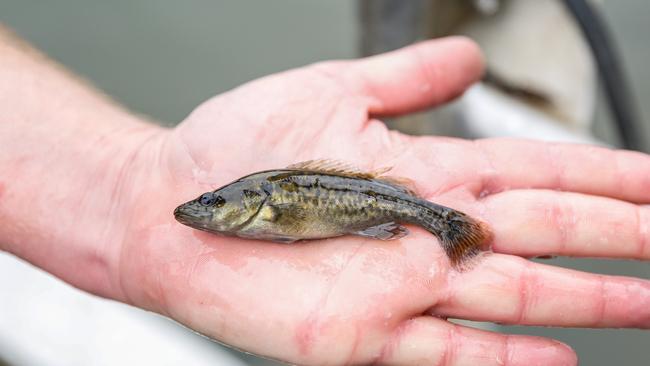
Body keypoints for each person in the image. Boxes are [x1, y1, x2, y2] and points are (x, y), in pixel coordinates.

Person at [0, 25, 648, 366]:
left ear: (248, 204)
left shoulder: (272, 203)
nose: (204, 213)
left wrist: (110, 181)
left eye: (211, 206)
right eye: (209, 206)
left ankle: (446, 227)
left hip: (394, 209)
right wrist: (117, 185)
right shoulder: (261, 202)